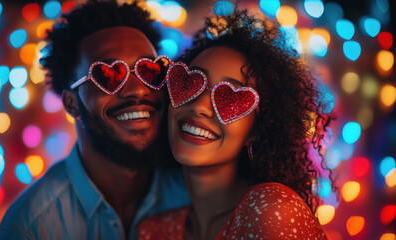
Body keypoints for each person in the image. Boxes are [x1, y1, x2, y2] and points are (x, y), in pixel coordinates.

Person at [0, 1, 189, 239]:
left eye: (149, 71)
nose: (138, 90)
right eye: (109, 75)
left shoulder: (192, 194)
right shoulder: (32, 228)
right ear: (71, 103)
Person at [138, 7, 334, 240]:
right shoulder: (153, 231)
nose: (199, 106)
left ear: (256, 131)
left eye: (230, 99)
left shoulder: (273, 211)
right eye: (191, 83)